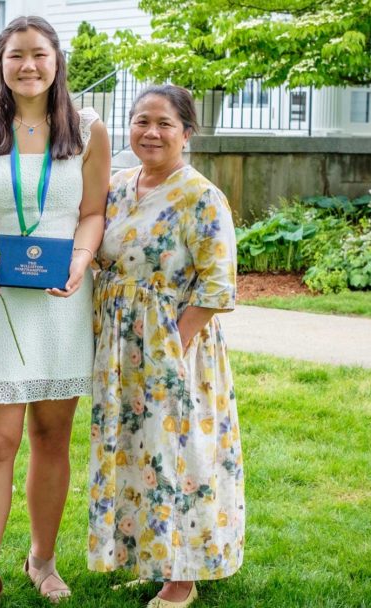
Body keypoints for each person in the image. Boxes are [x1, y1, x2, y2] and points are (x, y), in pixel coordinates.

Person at [0, 15, 111, 608]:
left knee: (51, 437)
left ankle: (42, 560)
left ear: (56, 60)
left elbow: (93, 212)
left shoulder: (89, 131)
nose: (29, 65)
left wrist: (82, 259)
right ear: (0, 63)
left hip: (62, 300)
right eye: (16, 55)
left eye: (39, 54)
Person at [87, 85, 244, 608]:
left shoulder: (201, 196)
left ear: (187, 133)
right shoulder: (116, 186)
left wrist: (175, 343)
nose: (150, 132)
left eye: (164, 124)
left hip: (174, 345)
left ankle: (183, 575)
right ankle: (150, 557)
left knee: (178, 455)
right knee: (135, 451)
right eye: (141, 121)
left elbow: (218, 286)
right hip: (120, 348)